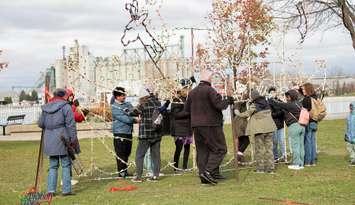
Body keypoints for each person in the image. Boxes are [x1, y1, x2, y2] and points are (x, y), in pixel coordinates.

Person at [184, 69, 233, 185]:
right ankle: (208, 171)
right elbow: (220, 105)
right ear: (210, 79)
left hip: (196, 126)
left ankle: (206, 174)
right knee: (220, 149)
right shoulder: (210, 90)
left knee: (203, 151)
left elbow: (186, 110)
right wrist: (228, 100)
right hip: (211, 124)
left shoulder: (192, 92)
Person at [38, 88, 80, 196]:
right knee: (66, 164)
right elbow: (71, 125)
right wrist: (73, 140)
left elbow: (41, 124)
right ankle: (66, 190)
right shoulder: (66, 107)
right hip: (63, 138)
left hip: (49, 139)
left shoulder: (46, 107)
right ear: (63, 96)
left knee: (53, 166)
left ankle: (51, 190)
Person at [235, 90, 276, 173]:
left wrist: (238, 113)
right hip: (270, 128)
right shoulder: (266, 103)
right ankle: (270, 168)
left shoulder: (254, 105)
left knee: (259, 149)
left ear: (253, 97)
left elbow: (247, 114)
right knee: (269, 149)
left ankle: (260, 168)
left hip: (259, 130)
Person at [132, 86, 163, 182]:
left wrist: (127, 111)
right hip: (156, 133)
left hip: (145, 134)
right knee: (156, 156)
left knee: (139, 155)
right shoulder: (158, 102)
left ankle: (138, 176)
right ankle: (155, 176)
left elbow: (134, 112)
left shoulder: (143, 103)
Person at [270, 89, 305, 170]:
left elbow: (277, 104)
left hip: (294, 126)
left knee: (295, 145)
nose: (286, 98)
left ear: (291, 96)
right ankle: (301, 163)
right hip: (302, 126)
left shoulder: (290, 105)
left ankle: (296, 164)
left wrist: (271, 98)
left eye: (287, 96)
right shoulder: (299, 104)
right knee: (301, 145)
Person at [111, 87, 140, 178]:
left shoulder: (128, 104)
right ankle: (121, 172)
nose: (124, 97)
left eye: (124, 95)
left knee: (127, 152)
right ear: (117, 97)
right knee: (120, 153)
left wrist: (136, 113)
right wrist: (135, 120)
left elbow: (134, 112)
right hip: (119, 132)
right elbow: (124, 118)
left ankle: (125, 171)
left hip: (128, 132)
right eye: (121, 95)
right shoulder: (114, 107)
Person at [171, 88, 193, 172]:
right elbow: (176, 114)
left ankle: (185, 166)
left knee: (187, 148)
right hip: (179, 129)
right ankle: (175, 167)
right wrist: (187, 112)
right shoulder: (176, 101)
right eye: (186, 90)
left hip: (187, 128)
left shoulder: (188, 100)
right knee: (178, 148)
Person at [267, 87, 286, 163]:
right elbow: (271, 114)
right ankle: (275, 157)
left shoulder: (279, 101)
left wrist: (281, 112)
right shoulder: (268, 102)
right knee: (274, 142)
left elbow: (284, 109)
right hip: (273, 125)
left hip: (280, 125)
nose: (273, 94)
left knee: (282, 141)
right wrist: (280, 112)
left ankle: (284, 156)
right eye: (271, 92)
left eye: (274, 92)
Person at [301, 83, 318, 166]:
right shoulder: (315, 97)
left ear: (307, 90)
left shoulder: (306, 99)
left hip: (308, 122)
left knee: (307, 142)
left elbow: (304, 111)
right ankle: (313, 161)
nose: (302, 91)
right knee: (313, 141)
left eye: (304, 89)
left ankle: (307, 161)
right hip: (315, 121)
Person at [345, 102, 355, 166]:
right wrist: (346, 134)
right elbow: (347, 126)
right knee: (349, 147)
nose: (351, 108)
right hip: (349, 135)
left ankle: (353, 159)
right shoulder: (348, 116)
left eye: (352, 107)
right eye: (350, 107)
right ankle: (353, 159)